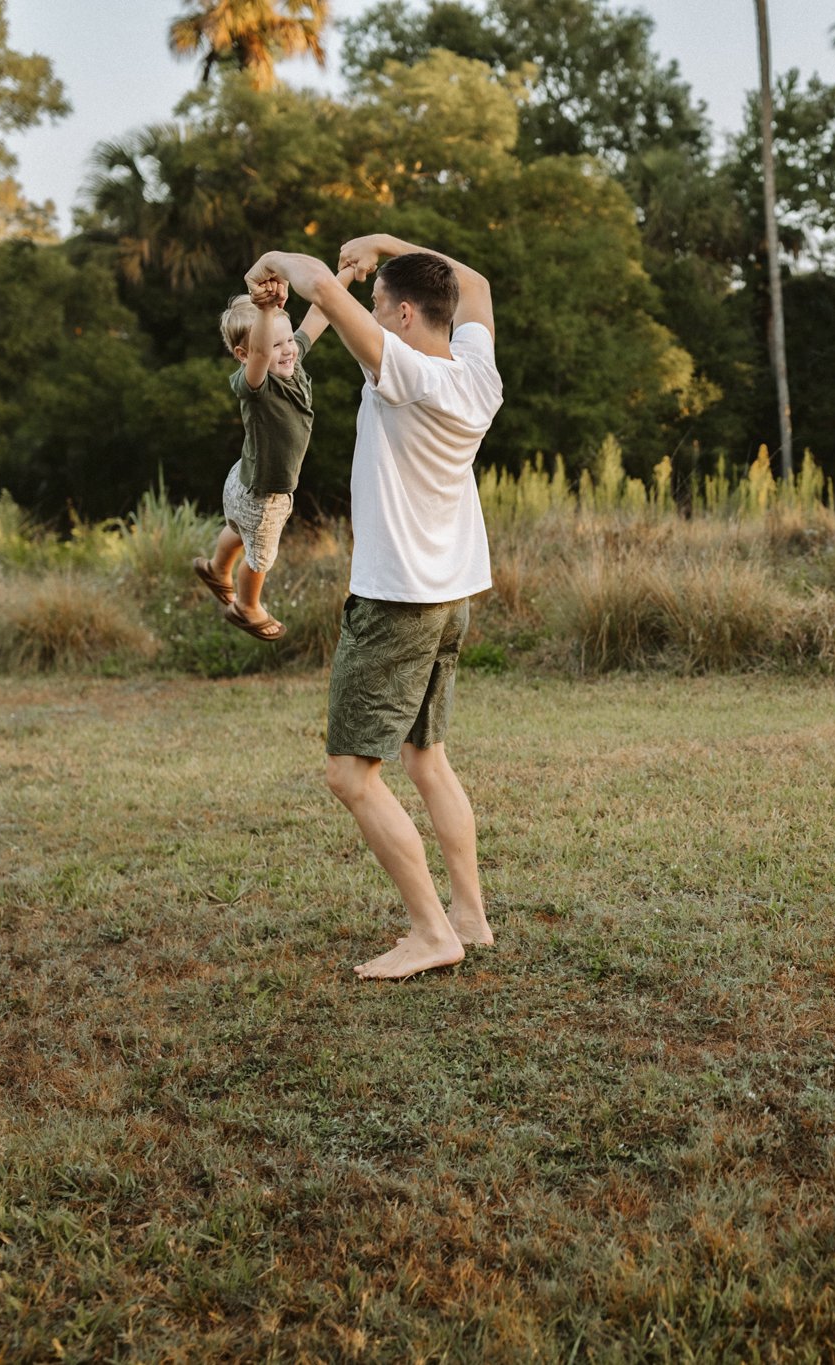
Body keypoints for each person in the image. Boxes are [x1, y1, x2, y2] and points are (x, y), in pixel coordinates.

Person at [243, 235, 501, 980]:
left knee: (350, 775)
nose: (372, 316)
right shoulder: (476, 372)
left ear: (407, 314)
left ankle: (430, 932)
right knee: (425, 757)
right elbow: (473, 276)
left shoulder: (407, 372)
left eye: (380, 307)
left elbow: (321, 286)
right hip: (451, 592)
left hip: (397, 602)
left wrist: (270, 263)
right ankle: (469, 916)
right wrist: (388, 245)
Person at [191, 269, 353, 641]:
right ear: (243, 355)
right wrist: (265, 311)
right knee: (260, 556)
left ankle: (217, 569)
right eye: (276, 345)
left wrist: (342, 277)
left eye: (288, 340)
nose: (288, 349)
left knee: (236, 527)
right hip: (265, 495)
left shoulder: (291, 359)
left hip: (241, 481)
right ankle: (247, 606)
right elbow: (263, 350)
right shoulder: (256, 384)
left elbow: (319, 313)